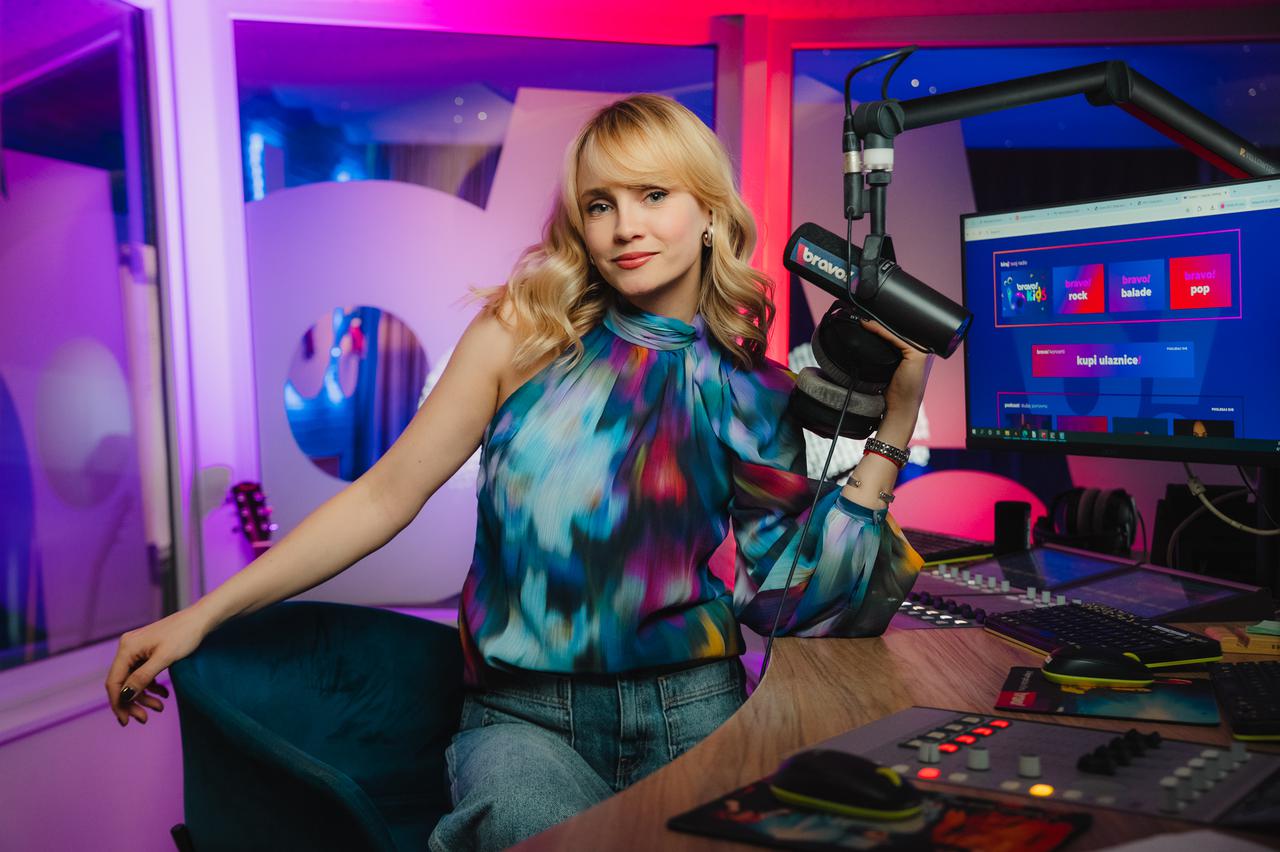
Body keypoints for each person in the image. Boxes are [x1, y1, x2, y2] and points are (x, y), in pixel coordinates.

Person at [105, 94, 931, 851]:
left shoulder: (753, 387)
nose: (624, 227)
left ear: (710, 213)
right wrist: (200, 616)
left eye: (653, 195)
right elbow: (384, 496)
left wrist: (892, 428)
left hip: (697, 709)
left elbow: (787, 596)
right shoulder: (521, 338)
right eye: (600, 204)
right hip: (523, 722)